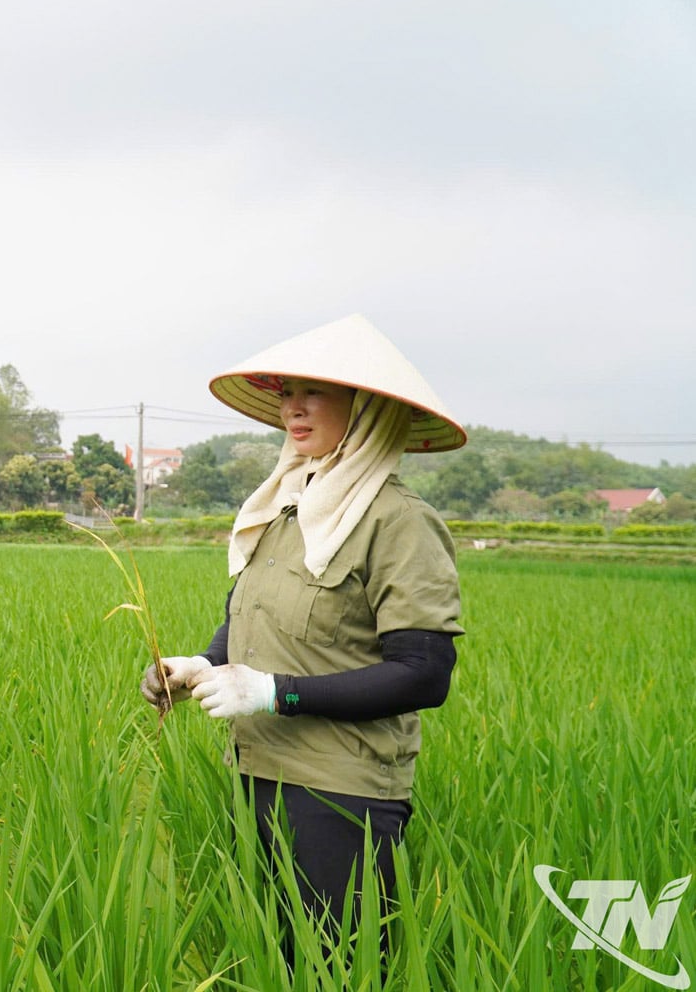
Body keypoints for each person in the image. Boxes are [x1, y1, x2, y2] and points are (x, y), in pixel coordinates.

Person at [140, 314, 465, 964]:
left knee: (328, 970)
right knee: (270, 963)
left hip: (340, 794)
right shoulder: (292, 509)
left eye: (314, 392)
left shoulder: (397, 522)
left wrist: (274, 693)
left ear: (368, 406)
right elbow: (254, 619)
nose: (293, 408)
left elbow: (424, 672)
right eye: (287, 392)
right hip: (256, 775)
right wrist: (200, 664)